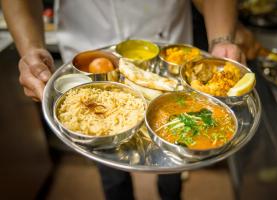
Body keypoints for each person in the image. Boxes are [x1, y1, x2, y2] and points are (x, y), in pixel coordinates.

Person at [1, 0, 245, 199]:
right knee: (107, 159)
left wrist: (222, 41)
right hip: (88, 52)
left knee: (174, 157)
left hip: (165, 47)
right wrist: (30, 48)